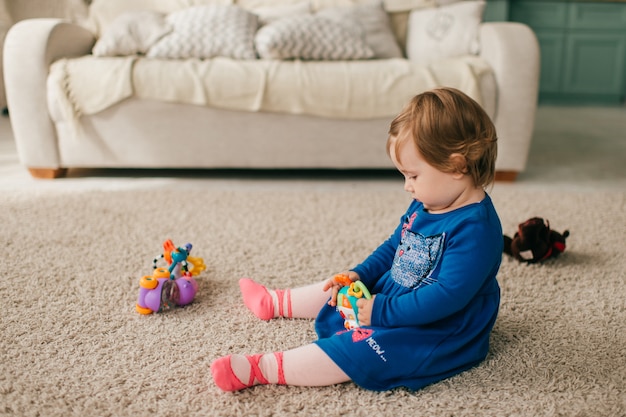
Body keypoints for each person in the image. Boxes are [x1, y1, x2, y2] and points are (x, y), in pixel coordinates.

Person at [210, 87, 503, 392]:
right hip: (403, 292)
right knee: (344, 289)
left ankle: (261, 368)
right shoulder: (431, 199)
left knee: (360, 350)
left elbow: (446, 297)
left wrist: (381, 312)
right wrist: (360, 273)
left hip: (440, 326)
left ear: (457, 167)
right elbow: (394, 247)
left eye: (413, 176)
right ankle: (274, 301)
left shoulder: (476, 229)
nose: (407, 187)